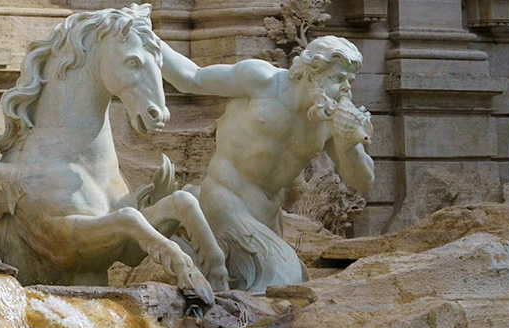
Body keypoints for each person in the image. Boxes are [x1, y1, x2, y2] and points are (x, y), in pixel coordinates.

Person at [157, 35, 374, 290]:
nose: (346, 88)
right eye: (338, 78)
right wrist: (148, 39)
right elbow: (191, 78)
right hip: (225, 199)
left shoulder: (327, 120)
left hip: (269, 216)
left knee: (282, 285)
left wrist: (348, 146)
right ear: (311, 74)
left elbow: (362, 180)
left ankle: (193, 243)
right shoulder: (263, 81)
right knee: (283, 280)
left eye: (350, 80)